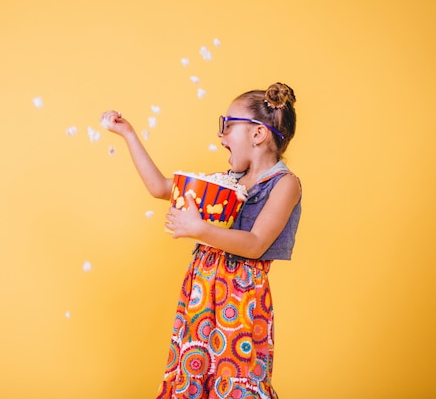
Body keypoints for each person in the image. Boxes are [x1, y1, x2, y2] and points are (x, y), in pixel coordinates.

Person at [100, 82, 301, 399]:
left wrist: (199, 229)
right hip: (201, 293)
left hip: (242, 301)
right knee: (192, 374)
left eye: (227, 125)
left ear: (257, 134)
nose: (221, 136)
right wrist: (128, 134)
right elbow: (161, 188)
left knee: (235, 377)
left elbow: (256, 243)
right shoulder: (227, 181)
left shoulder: (285, 184)